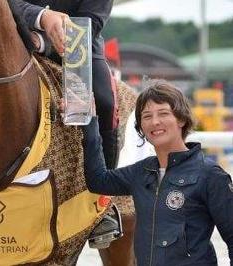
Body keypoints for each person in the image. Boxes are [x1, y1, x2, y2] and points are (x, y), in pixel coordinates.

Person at [0, 0, 122, 244]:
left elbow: (95, 18)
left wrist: (59, 32)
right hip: (18, 33)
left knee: (102, 99)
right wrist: (40, 19)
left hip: (79, 43)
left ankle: (102, 201)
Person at [82, 80, 233, 265]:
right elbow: (98, 181)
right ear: (141, 128)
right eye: (146, 116)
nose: (155, 122)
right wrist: (89, 122)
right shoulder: (141, 172)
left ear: (182, 119)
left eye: (163, 113)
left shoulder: (210, 175)